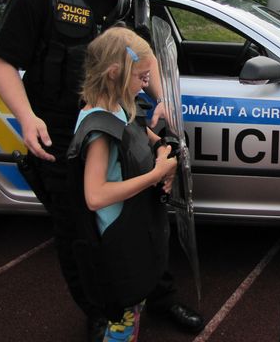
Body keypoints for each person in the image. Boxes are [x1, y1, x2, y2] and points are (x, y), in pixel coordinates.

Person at [0, 0, 204, 341]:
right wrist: (26, 117)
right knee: (81, 237)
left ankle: (157, 297)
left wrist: (160, 97)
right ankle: (100, 312)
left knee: (144, 219)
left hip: (120, 129)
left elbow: (144, 56)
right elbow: (3, 61)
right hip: (62, 140)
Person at [74, 27, 178, 341]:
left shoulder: (119, 107)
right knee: (122, 323)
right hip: (116, 244)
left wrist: (163, 148)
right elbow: (95, 195)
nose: (147, 84)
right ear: (115, 73)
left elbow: (140, 134)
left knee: (133, 312)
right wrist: (156, 174)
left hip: (133, 230)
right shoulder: (99, 129)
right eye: (142, 77)